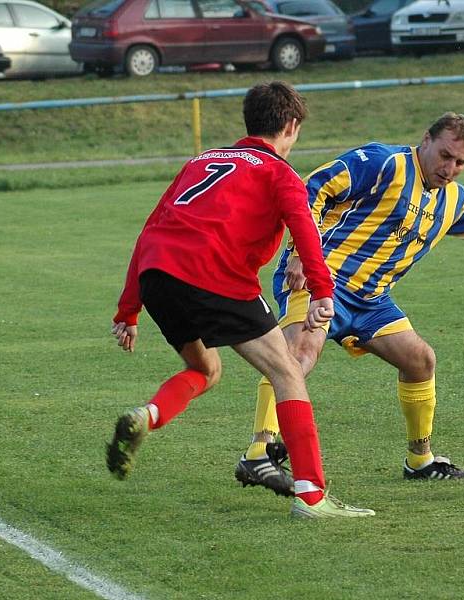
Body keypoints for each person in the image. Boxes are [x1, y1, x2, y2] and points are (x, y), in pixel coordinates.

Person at [234, 112, 464, 495]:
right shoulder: (383, 163)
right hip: (319, 279)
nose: (450, 168)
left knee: (420, 360)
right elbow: (313, 188)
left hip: (371, 299)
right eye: (445, 155)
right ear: (425, 140)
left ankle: (420, 461)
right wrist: (298, 253)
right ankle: (259, 452)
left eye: (461, 162)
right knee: (298, 355)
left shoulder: (454, 202)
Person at [107, 81, 374, 519]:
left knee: (204, 370)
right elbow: (304, 229)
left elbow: (151, 227)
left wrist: (128, 309)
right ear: (291, 125)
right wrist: (323, 292)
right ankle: (311, 497)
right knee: (287, 371)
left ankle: (148, 415)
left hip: (158, 273)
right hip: (214, 275)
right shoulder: (279, 172)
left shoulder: (202, 160)